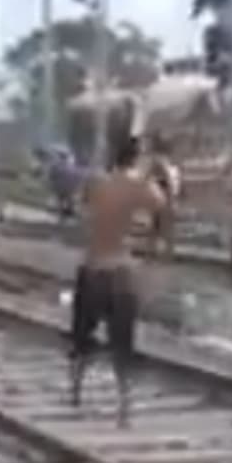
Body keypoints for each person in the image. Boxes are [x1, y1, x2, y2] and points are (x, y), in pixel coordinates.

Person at [70, 137, 167, 428]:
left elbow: (80, 209)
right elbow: (163, 208)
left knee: (82, 336)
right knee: (122, 342)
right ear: (137, 159)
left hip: (92, 268)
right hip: (122, 272)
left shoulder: (97, 183)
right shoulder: (142, 187)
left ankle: (75, 390)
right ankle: (124, 407)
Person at [145, 134, 181, 258]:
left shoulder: (159, 162)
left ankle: (156, 253)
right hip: (165, 198)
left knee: (158, 228)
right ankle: (164, 254)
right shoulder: (167, 163)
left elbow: (165, 180)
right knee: (162, 228)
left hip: (164, 198)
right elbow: (170, 181)